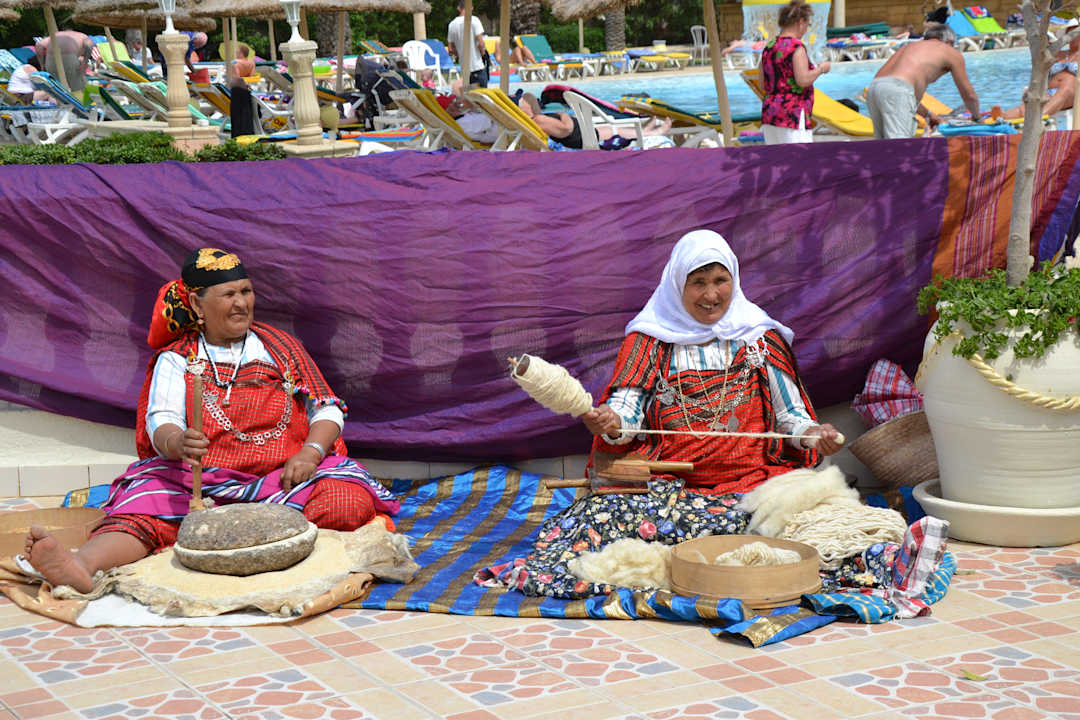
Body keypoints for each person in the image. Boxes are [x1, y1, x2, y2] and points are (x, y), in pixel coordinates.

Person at [489, 230, 843, 599]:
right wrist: (612, 423)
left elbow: (793, 418)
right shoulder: (649, 341)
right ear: (677, 284)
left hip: (754, 486)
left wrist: (815, 433)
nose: (711, 295)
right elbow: (625, 416)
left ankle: (697, 559)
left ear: (734, 281)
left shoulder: (760, 338)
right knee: (602, 514)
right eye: (698, 283)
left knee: (817, 521)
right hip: (671, 491)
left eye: (721, 281)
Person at [23, 248, 399, 594]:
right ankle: (81, 565)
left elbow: (327, 407)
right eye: (229, 295)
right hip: (201, 486)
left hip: (283, 480)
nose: (241, 303)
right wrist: (177, 443)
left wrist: (311, 453)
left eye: (246, 292)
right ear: (196, 305)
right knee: (142, 506)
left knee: (346, 500)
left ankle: (263, 538)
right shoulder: (178, 358)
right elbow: (161, 421)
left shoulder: (280, 347)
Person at [865, 23, 979, 138]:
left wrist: (929, 115)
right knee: (899, 148)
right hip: (897, 92)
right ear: (949, 41)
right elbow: (969, 94)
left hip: (874, 90)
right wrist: (977, 119)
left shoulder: (908, 48)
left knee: (882, 147)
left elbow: (902, 94)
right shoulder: (949, 51)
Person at [760, 0, 830, 144]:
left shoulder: (769, 47)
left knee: (776, 161)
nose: (806, 30)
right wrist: (821, 69)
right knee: (799, 161)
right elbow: (803, 80)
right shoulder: (796, 47)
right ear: (800, 22)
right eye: (807, 25)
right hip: (792, 114)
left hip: (770, 114)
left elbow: (762, 83)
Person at [516, 91, 673, 149]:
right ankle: (656, 132)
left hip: (586, 133)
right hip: (584, 139)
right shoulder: (539, 120)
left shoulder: (538, 118)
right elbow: (566, 129)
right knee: (616, 130)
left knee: (614, 128)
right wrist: (563, 115)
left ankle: (647, 131)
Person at [1001, 33, 1080, 120]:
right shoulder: (1058, 53)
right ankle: (1002, 117)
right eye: (1071, 33)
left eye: (1077, 34)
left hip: (1073, 93)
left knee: (1066, 88)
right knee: (1028, 106)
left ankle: (1036, 118)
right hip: (1050, 91)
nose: (1073, 36)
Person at [447, 0, 488, 87]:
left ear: (458, 8)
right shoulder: (474, 20)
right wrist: (483, 54)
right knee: (481, 97)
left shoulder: (452, 25)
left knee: (469, 97)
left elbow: (450, 49)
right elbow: (481, 43)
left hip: (464, 68)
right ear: (471, 8)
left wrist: (460, 55)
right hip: (477, 66)